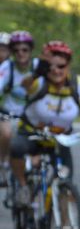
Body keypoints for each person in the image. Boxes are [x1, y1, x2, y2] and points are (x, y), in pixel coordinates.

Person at [9, 41, 80, 206]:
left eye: (61, 66)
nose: (56, 70)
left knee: (66, 180)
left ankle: (64, 225)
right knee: (16, 147)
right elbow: (24, 87)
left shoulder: (76, 83)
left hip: (60, 139)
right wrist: (38, 72)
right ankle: (23, 186)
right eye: (51, 66)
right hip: (31, 134)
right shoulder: (39, 81)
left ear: (68, 65)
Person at [0, 30, 38, 184]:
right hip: (7, 112)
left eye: (25, 50)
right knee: (7, 134)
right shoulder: (6, 68)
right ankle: (3, 163)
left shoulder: (37, 66)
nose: (21, 54)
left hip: (30, 116)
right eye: (16, 51)